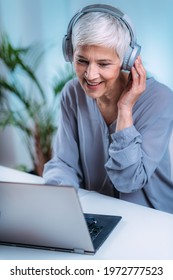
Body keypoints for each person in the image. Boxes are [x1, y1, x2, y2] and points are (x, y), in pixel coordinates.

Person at [43, 4, 173, 214]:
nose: (90, 75)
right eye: (82, 61)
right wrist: (56, 201)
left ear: (127, 61)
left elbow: (129, 181)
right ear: (70, 53)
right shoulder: (72, 93)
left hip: (152, 219)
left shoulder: (160, 99)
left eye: (103, 64)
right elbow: (64, 163)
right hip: (97, 214)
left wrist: (125, 109)